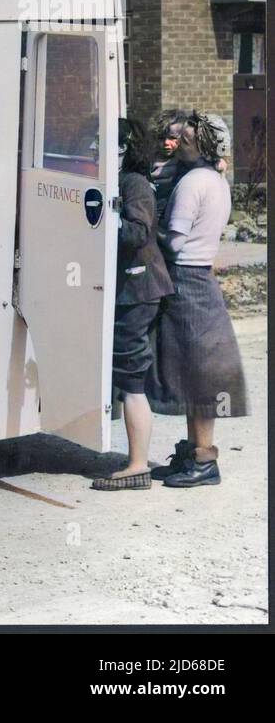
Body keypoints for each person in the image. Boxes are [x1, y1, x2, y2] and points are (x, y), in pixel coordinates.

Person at [150, 112, 248, 487]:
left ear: (202, 146)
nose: (180, 145)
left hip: (186, 277)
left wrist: (147, 233)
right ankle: (195, 453)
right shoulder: (216, 180)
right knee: (196, 370)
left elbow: (175, 242)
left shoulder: (193, 183)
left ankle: (204, 460)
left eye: (187, 141)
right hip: (200, 274)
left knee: (200, 371)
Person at [92, 118, 173, 490]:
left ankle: (137, 464)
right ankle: (135, 460)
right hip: (132, 288)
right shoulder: (122, 181)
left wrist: (100, 220)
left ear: (126, 149)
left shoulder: (135, 183)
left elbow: (138, 232)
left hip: (139, 289)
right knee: (128, 375)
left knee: (131, 376)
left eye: (109, 145)